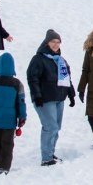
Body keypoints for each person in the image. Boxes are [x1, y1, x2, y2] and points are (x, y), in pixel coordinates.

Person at [26, 29, 76, 166]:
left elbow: (67, 79)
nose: (56, 44)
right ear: (47, 42)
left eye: (58, 42)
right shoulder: (38, 59)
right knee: (50, 127)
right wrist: (37, 95)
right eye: (53, 41)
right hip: (45, 99)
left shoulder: (61, 60)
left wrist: (71, 94)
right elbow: (32, 78)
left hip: (59, 98)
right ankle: (46, 158)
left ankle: (50, 153)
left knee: (56, 127)